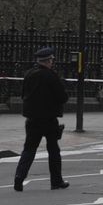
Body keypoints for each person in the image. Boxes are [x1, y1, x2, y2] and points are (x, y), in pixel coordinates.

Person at [14, 47, 69, 191]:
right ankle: (56, 181)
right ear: (48, 61)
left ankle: (18, 179)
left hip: (32, 119)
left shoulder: (29, 74)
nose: (52, 62)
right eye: (51, 60)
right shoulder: (50, 76)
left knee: (29, 149)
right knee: (53, 150)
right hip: (49, 119)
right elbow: (62, 97)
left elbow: (23, 94)